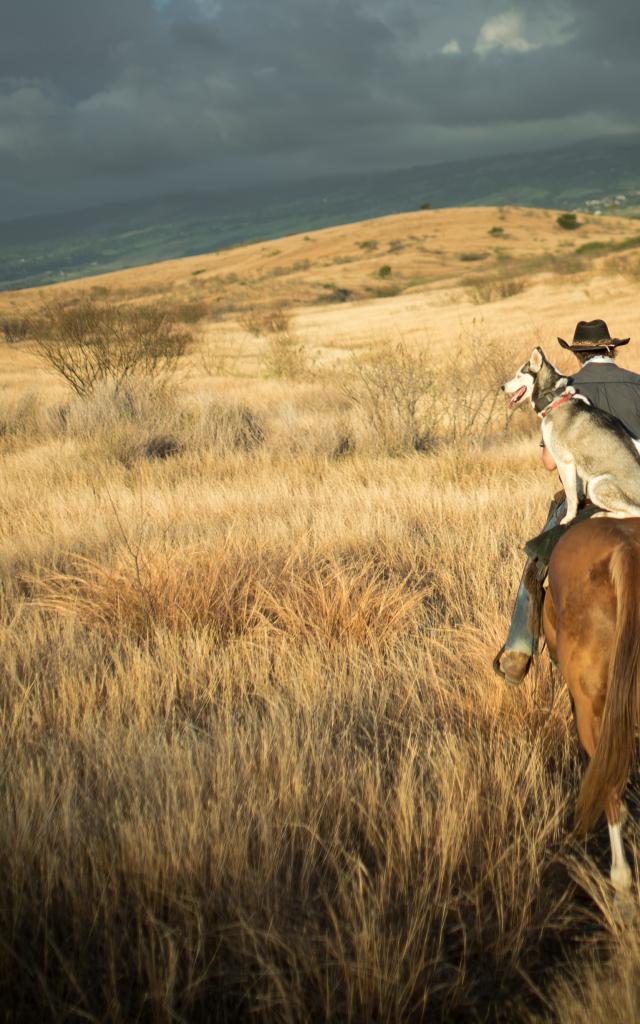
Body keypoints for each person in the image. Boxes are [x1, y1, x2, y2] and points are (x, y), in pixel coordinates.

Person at [495, 319, 640, 686]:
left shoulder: (566, 392)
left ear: (578, 354)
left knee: (536, 561)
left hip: (590, 495)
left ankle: (518, 650)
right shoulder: (637, 384)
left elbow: (550, 463)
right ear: (612, 350)